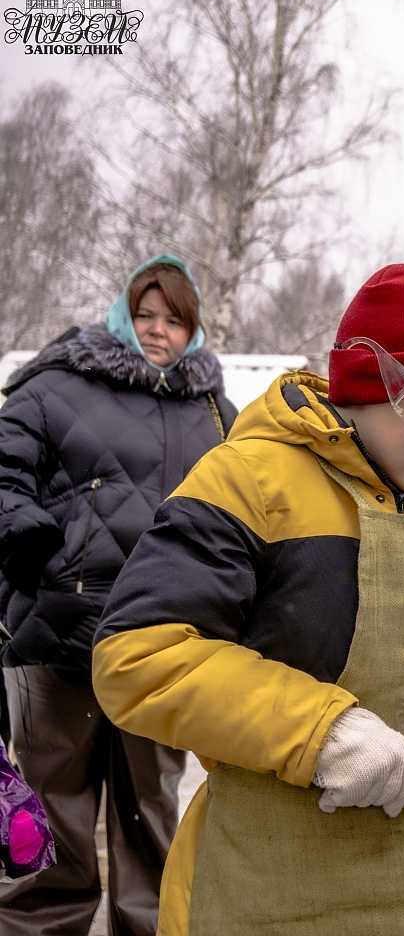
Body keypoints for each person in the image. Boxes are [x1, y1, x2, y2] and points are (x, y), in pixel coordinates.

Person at [90, 264, 404, 936]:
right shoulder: (250, 478)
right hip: (271, 889)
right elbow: (138, 656)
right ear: (366, 382)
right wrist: (318, 731)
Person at [0, 255, 236, 935]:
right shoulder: (53, 384)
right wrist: (21, 531)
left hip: (163, 646)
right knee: (53, 820)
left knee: (151, 819)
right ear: (121, 316)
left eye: (175, 319)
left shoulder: (218, 413)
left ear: (194, 329)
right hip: (56, 632)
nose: (159, 330)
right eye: (145, 314)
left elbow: (256, 508)